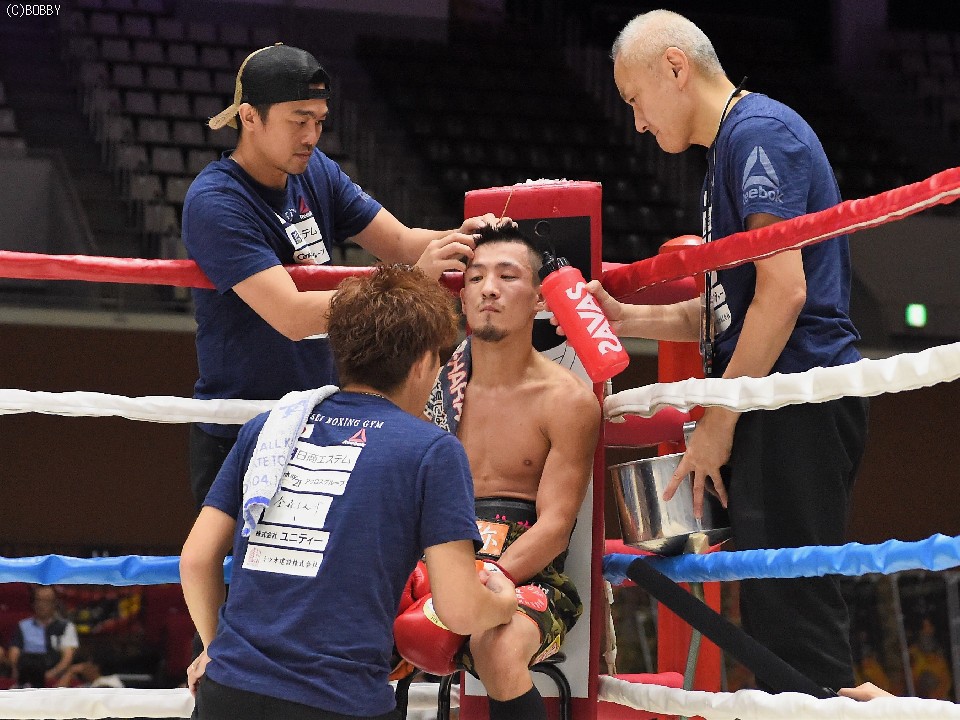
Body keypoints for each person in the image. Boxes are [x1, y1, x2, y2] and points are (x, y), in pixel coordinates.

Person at [597, 10, 870, 693]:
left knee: (799, 627)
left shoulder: (758, 134)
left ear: (674, 67)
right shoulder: (731, 148)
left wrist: (720, 421)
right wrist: (627, 316)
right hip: (779, 399)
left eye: (635, 100)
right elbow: (728, 311)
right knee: (782, 622)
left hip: (796, 396)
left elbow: (783, 293)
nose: (637, 123)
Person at [180, 264, 518, 720]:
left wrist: (216, 649)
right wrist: (503, 603)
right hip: (340, 701)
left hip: (229, 692)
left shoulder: (269, 427)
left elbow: (196, 559)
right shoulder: (432, 450)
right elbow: (459, 610)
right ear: (424, 363)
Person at [182, 42, 502, 509]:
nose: (312, 135)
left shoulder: (316, 171)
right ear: (249, 117)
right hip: (244, 426)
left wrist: (462, 237)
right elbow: (292, 316)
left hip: (323, 418)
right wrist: (412, 281)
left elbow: (400, 241)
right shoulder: (216, 202)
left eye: (319, 121)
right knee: (241, 561)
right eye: (298, 121)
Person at [421, 224, 601, 720]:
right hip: (432, 563)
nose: (489, 289)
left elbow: (555, 526)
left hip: (527, 577)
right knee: (348, 624)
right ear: (461, 298)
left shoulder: (566, 400)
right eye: (475, 278)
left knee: (496, 646)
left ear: (540, 298)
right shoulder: (431, 387)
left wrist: (482, 581)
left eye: (507, 276)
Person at [7, 585, 79, 688]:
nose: (42, 605)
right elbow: (14, 652)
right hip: (27, 672)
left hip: (53, 674)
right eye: (38, 600)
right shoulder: (23, 626)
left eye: (47, 601)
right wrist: (17, 671)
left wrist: (49, 675)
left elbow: (67, 657)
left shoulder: (66, 627)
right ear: (33, 603)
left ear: (54, 603)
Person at [56, 648, 124, 688]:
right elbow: (57, 695)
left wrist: (70, 671)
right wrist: (70, 672)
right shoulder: (92, 684)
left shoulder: (107, 685)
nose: (83, 666)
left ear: (95, 667)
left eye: (87, 663)